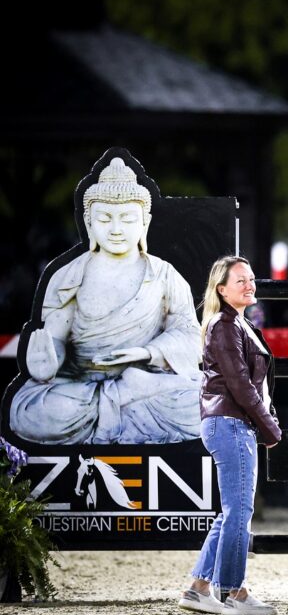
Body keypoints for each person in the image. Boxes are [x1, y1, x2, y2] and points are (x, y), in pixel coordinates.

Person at [10, 157, 201, 444]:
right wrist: (47, 363)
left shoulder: (164, 275)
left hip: (148, 378)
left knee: (204, 402)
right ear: (89, 223)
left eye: (127, 219)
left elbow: (192, 338)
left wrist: (146, 352)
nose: (115, 229)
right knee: (30, 413)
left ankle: (131, 392)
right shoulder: (69, 277)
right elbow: (55, 340)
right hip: (81, 386)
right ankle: (122, 395)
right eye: (104, 219)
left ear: (144, 223)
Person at [178, 255, 282, 615]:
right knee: (239, 511)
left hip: (230, 423)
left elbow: (251, 384)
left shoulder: (237, 323)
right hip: (230, 423)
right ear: (222, 290)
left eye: (251, 278)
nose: (250, 284)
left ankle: (198, 589)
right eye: (241, 280)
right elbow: (239, 385)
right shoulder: (225, 325)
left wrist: (264, 420)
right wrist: (269, 427)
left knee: (230, 513)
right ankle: (234, 592)